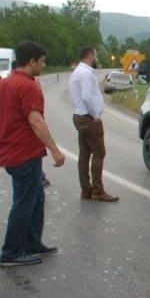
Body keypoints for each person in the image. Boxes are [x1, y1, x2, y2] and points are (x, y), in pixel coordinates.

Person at [0, 41, 66, 267]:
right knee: (25, 203)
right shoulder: (27, 86)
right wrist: (55, 150)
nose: (44, 65)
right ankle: (11, 252)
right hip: (23, 153)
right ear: (32, 61)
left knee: (36, 199)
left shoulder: (7, 82)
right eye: (42, 61)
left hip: (14, 150)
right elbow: (36, 121)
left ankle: (31, 242)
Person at [69, 46, 119, 202]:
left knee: (84, 154)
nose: (96, 58)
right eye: (95, 55)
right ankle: (97, 190)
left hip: (79, 116)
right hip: (88, 118)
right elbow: (86, 97)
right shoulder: (86, 74)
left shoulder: (77, 71)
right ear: (90, 56)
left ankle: (86, 190)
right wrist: (95, 114)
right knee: (99, 153)